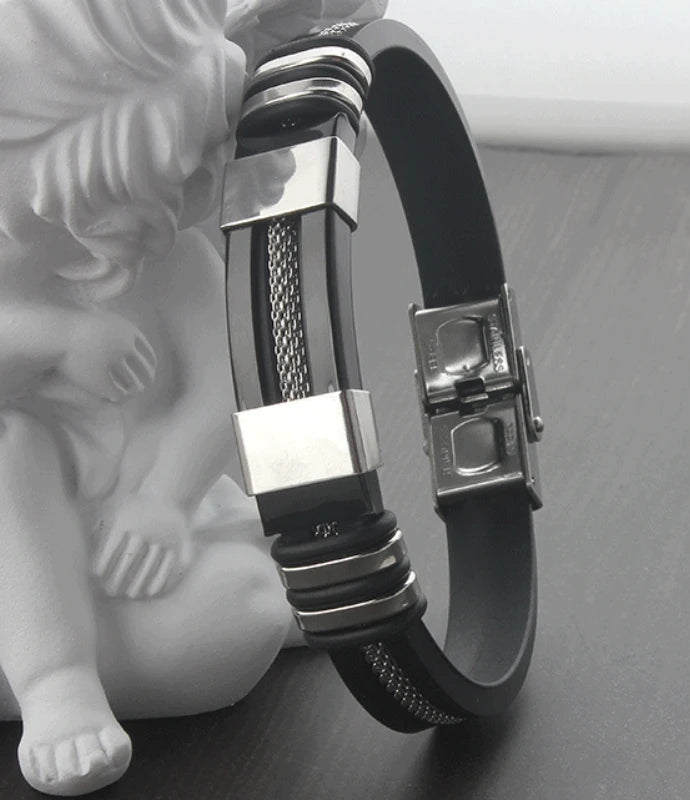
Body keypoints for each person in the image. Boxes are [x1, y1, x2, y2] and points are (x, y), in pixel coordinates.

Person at [0, 1, 386, 795]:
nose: (145, 231)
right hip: (27, 551)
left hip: (140, 527)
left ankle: (201, 601)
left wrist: (165, 502)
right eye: (88, 209)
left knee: (242, 614)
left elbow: (223, 392)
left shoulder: (172, 267)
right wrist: (57, 342)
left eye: (169, 193)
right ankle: (53, 680)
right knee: (12, 444)